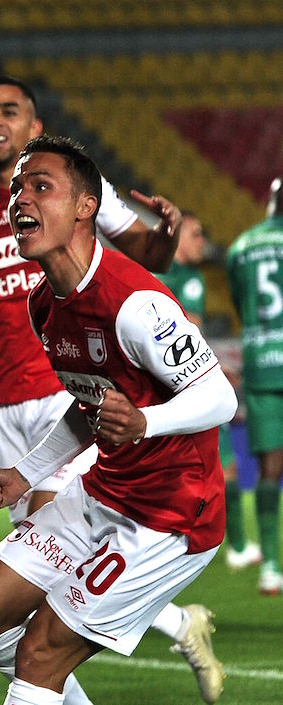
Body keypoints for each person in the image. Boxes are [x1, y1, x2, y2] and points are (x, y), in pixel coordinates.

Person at [0, 76, 224, 703]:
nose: (20, 200)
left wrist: (146, 424)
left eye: (39, 188)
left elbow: (220, 399)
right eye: (18, 189)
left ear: (87, 208)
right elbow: (89, 406)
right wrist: (26, 473)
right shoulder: (43, 304)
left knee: (41, 651)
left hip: (170, 514)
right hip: (102, 486)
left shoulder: (135, 305)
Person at [158, 212, 261, 573]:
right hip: (189, 388)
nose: (202, 241)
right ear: (178, 236)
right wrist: (213, 371)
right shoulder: (188, 279)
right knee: (225, 468)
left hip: (164, 388)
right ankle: (234, 545)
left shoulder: (151, 274)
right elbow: (190, 333)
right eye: (196, 234)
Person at [226, 176, 283, 596]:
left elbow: (240, 303)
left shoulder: (241, 248)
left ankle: (271, 567)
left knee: (269, 469)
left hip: (262, 364)